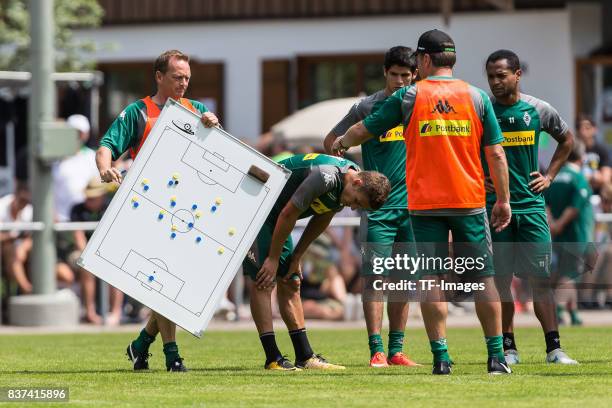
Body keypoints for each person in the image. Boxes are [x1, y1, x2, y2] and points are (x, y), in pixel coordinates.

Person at [332, 29, 512, 375]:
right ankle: (496, 357)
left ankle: (441, 358)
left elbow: (365, 129)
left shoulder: (410, 97)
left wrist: (342, 141)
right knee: (484, 278)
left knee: (431, 280)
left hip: (425, 205)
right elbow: (497, 155)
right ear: (452, 59)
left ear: (425, 59)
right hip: (469, 200)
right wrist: (502, 199)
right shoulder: (476, 97)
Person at [96, 49, 219, 372]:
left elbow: (219, 158)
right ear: (159, 77)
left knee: (175, 284)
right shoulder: (139, 112)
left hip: (190, 213)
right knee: (162, 282)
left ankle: (140, 345)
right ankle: (171, 354)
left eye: (187, 78)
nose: (183, 83)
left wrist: (215, 128)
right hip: (152, 209)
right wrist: (106, 169)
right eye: (177, 77)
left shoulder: (198, 111)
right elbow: (106, 146)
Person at [244, 153, 390, 370]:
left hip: (277, 216)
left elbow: (321, 219)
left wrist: (296, 257)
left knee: (292, 281)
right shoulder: (326, 176)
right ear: (357, 181)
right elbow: (287, 214)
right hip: (256, 209)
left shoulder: (347, 184)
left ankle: (305, 356)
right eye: (356, 201)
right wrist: (273, 258)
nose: (351, 207)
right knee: (264, 280)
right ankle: (272, 357)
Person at [324, 46, 420, 367]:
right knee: (376, 279)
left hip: (413, 208)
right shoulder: (368, 107)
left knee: (403, 280)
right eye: (394, 75)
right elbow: (331, 141)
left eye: (405, 76)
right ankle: (376, 350)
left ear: (415, 76)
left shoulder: (421, 105)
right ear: (384, 73)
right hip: (378, 210)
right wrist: (351, 178)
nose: (399, 81)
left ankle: (396, 351)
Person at [483, 49, 577, 365]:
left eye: (501, 75)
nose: (495, 82)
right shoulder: (483, 111)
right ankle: (508, 348)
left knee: (539, 280)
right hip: (497, 210)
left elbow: (567, 140)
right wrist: (482, 181)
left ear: (517, 74)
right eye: (491, 76)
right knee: (502, 281)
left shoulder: (538, 109)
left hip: (533, 209)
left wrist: (549, 175)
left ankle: (554, 349)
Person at [545, 142, 594, 328]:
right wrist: (560, 224)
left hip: (557, 234)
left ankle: (573, 314)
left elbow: (546, 204)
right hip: (575, 234)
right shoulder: (579, 179)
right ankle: (557, 310)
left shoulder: (554, 177)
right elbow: (574, 208)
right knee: (570, 274)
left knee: (565, 272)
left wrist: (552, 224)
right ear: (581, 158)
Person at [0, 181, 74, 293]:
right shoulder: (2, 207)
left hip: (29, 254)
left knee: (66, 275)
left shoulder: (28, 210)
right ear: (15, 195)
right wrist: (13, 238)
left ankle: (37, 291)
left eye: (26, 201)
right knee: (13, 252)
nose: (23, 204)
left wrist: (23, 246)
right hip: (8, 253)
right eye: (22, 200)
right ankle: (27, 290)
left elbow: (53, 221)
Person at [69, 177, 124, 325]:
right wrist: (90, 255)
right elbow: (78, 237)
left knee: (116, 265)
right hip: (83, 251)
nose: (88, 199)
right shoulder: (77, 209)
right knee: (85, 265)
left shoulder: (112, 207)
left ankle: (116, 313)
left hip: (108, 251)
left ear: (101, 196)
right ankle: (90, 312)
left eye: (92, 197)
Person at [53, 114, 99, 222]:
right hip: (60, 221)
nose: (79, 135)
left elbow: (98, 189)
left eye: (81, 132)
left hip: (84, 221)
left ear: (86, 134)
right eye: (75, 131)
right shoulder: (55, 158)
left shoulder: (92, 157)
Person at [575, 114, 611, 194]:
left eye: (587, 128)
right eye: (580, 128)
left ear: (594, 129)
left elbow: (606, 179)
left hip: (596, 196)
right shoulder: (573, 151)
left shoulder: (602, 150)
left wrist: (588, 177)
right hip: (577, 194)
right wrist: (594, 177)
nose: (583, 131)